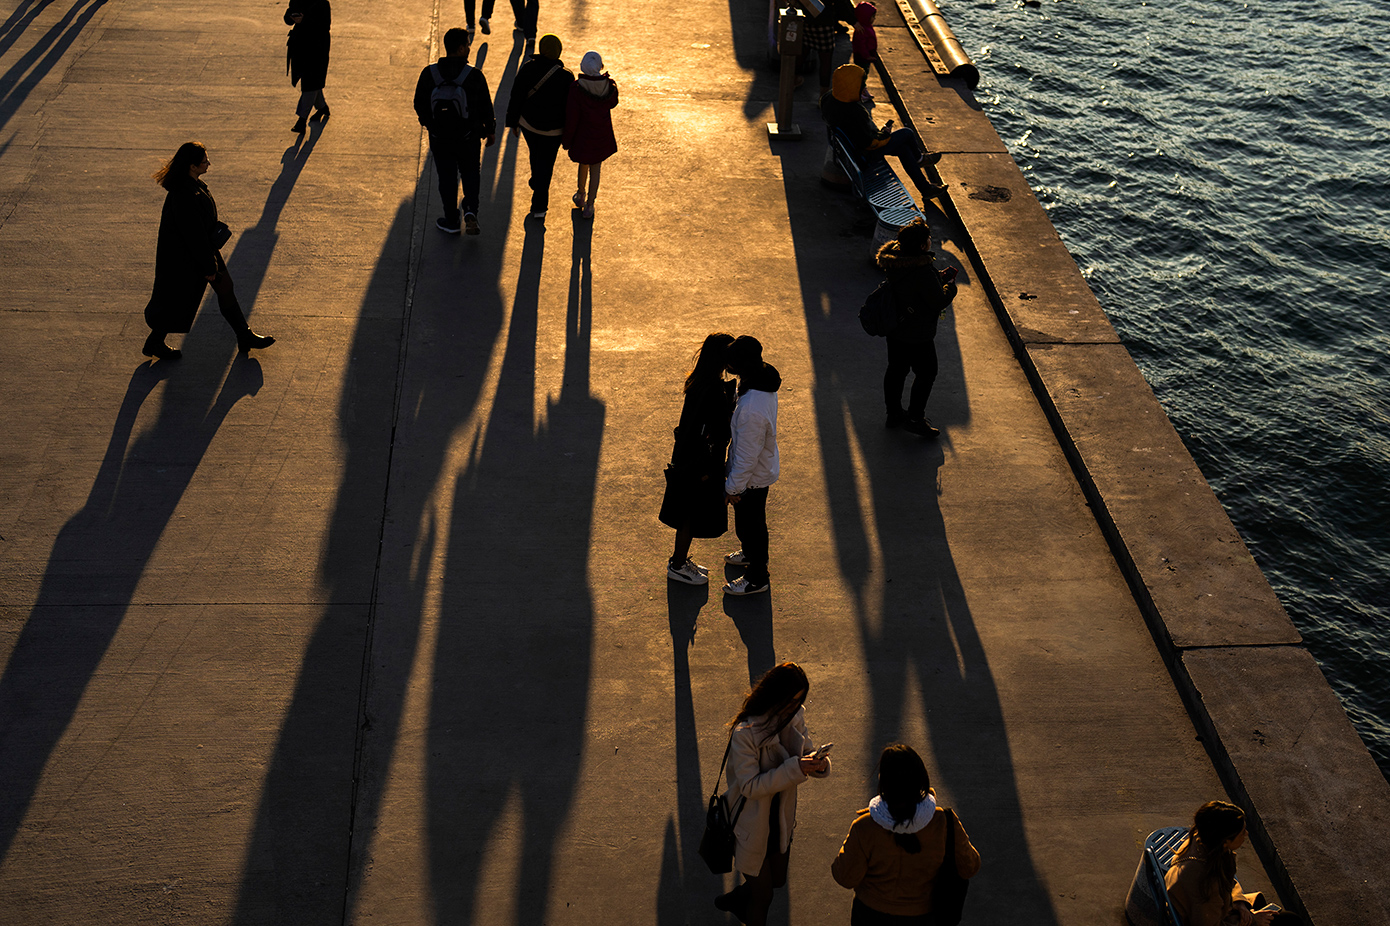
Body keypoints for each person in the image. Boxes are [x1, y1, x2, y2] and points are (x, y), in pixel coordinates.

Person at [715, 662, 831, 926]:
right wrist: (795, 768)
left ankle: (736, 899)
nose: (795, 706)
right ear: (775, 695)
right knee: (763, 896)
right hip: (750, 823)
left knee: (777, 880)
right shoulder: (746, 734)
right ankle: (746, 902)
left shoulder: (795, 717)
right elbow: (750, 786)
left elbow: (804, 753)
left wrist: (816, 764)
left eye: (799, 700)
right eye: (790, 700)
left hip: (779, 819)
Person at [142, 143, 275, 360]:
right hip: (190, 257)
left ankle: (244, 335)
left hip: (201, 251)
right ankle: (155, 341)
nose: (208, 163)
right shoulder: (185, 194)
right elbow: (193, 235)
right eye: (204, 161)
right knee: (179, 298)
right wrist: (208, 266)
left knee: (224, 288)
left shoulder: (192, 185)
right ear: (192, 166)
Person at [831, 743, 981, 924]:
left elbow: (845, 877)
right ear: (921, 778)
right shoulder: (943, 822)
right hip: (926, 917)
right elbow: (970, 866)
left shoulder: (865, 827)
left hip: (871, 916)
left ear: (883, 782)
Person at [660, 333, 737, 585]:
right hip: (700, 462)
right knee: (688, 515)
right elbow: (716, 429)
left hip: (688, 458)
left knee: (687, 512)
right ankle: (678, 564)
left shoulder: (699, 382)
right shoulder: (713, 389)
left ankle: (679, 562)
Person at [875, 218, 957, 437]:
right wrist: (950, 287)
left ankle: (893, 414)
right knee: (927, 373)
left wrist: (936, 278)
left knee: (896, 371)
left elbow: (911, 289)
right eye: (928, 239)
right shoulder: (922, 271)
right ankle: (914, 418)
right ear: (922, 246)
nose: (931, 241)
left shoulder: (896, 261)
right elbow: (938, 301)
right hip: (917, 333)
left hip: (895, 328)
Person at [821, 64, 946, 203]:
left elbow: (858, 134)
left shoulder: (828, 99)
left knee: (904, 149)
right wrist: (885, 135)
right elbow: (870, 143)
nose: (863, 88)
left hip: (850, 150)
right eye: (861, 84)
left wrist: (879, 134)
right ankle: (920, 160)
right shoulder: (854, 112)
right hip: (862, 156)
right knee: (907, 133)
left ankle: (926, 188)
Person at [414, 27, 497, 235]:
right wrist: (490, 130)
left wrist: (430, 125)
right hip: (468, 138)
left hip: (440, 138)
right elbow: (486, 106)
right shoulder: (474, 75)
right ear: (460, 48)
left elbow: (419, 103)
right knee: (470, 173)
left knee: (446, 177)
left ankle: (451, 220)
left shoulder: (429, 73)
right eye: (468, 45)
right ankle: (470, 211)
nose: (469, 48)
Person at [722, 336, 781, 596]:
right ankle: (748, 554)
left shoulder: (750, 410)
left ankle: (757, 576)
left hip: (751, 479)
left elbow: (747, 455)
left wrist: (732, 487)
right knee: (750, 525)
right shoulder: (760, 383)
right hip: (758, 473)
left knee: (753, 527)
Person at [1164, 801, 1280, 926]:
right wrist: (1253, 921)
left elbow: (1228, 881)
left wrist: (1240, 903)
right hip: (1214, 916)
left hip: (1219, 908)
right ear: (1225, 842)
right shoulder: (1205, 882)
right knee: (1287, 920)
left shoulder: (1201, 841)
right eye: (1242, 832)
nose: (1246, 834)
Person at [505, 34, 575, 221]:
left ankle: (536, 180)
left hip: (529, 125)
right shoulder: (566, 76)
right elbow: (570, 108)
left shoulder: (528, 68)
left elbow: (516, 95)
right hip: (554, 131)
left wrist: (513, 121)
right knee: (546, 164)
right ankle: (539, 207)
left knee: (535, 155)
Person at [562, 51, 618, 220]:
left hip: (582, 135)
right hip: (601, 135)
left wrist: (567, 140)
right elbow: (613, 102)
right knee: (596, 168)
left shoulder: (577, 88)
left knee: (583, 162)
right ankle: (590, 205)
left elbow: (572, 116)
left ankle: (580, 194)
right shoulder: (609, 86)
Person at [284, 0, 331, 133]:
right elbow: (287, 18)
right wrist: (291, 17)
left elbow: (324, 26)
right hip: (301, 47)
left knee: (310, 84)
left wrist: (303, 20)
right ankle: (322, 107)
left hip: (317, 48)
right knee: (312, 81)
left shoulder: (322, 3)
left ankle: (301, 120)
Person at [800, 0, 856, 100]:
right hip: (824, 21)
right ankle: (823, 94)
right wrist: (854, 21)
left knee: (803, 51)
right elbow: (841, 3)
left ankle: (793, 80)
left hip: (806, 19)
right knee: (825, 60)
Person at [850, 1, 878, 102]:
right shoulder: (862, 30)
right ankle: (859, 93)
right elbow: (861, 46)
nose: (874, 19)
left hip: (866, 55)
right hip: (862, 56)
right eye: (872, 16)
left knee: (864, 74)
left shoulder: (866, 27)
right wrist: (867, 56)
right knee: (861, 75)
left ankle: (863, 90)